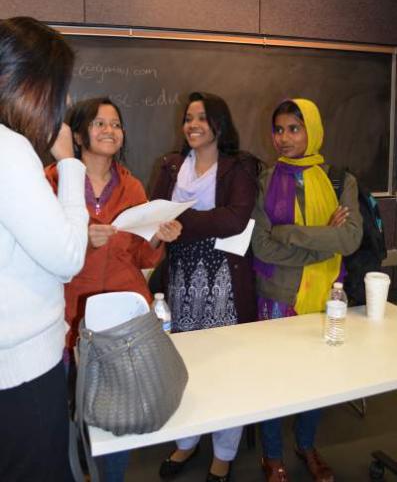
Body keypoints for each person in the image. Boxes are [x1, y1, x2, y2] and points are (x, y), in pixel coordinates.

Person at [46, 95, 182, 482]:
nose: (110, 131)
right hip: (69, 314)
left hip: (124, 320)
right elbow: (40, 251)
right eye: (100, 123)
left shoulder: (133, 186)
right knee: (68, 411)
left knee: (119, 409)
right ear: (80, 132)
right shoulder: (52, 179)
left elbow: (142, 257)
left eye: (116, 124)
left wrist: (158, 237)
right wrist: (82, 240)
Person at [251, 98, 363, 482]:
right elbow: (262, 247)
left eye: (293, 129)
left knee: (319, 377)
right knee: (272, 377)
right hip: (276, 296)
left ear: (311, 130)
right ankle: (271, 455)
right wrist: (322, 239)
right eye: (279, 129)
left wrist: (289, 234)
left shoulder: (340, 180)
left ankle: (306, 443)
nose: (284, 138)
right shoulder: (265, 181)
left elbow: (349, 239)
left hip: (325, 298)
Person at [152, 91, 260, 482]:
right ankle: (186, 442)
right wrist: (162, 226)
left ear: (219, 123)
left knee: (226, 367)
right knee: (186, 364)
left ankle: (224, 453)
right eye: (187, 118)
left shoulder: (240, 166)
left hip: (224, 283)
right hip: (179, 280)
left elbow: (234, 219)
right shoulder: (170, 165)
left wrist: (180, 223)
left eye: (200, 117)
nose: (192, 124)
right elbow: (155, 213)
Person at [0, 16, 89, 481]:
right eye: (61, 88)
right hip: (23, 375)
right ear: (28, 83)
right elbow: (69, 255)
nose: (67, 102)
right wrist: (70, 164)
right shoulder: (9, 151)